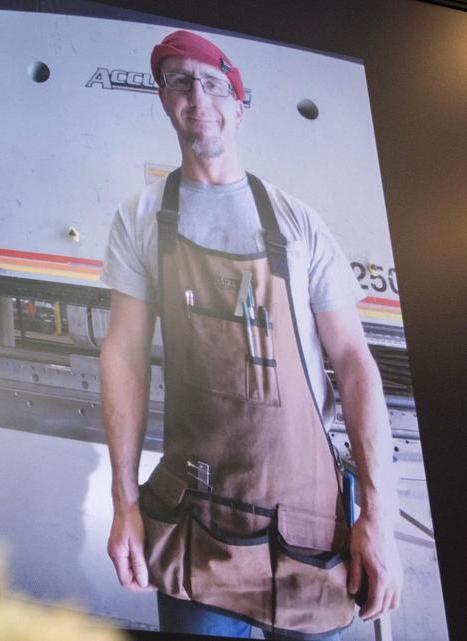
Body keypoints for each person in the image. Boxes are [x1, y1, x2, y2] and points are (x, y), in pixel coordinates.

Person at [99, 30, 402, 640]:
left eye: (212, 82)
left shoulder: (296, 222)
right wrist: (125, 501)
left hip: (310, 532)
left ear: (237, 103)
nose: (196, 96)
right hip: (196, 528)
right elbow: (123, 358)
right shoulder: (141, 218)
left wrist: (380, 515)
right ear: (164, 101)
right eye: (179, 81)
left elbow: (353, 363)